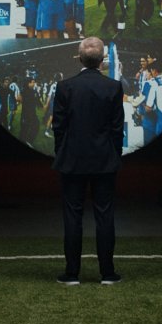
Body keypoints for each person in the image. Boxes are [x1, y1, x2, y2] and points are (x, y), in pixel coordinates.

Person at [52, 37, 125, 285]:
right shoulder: (113, 87)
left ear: (79, 58)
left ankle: (72, 273)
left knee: (72, 217)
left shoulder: (65, 87)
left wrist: (62, 153)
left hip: (72, 161)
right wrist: (114, 155)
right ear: (103, 60)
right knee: (105, 216)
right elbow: (117, 130)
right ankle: (108, 273)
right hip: (104, 161)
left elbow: (59, 128)